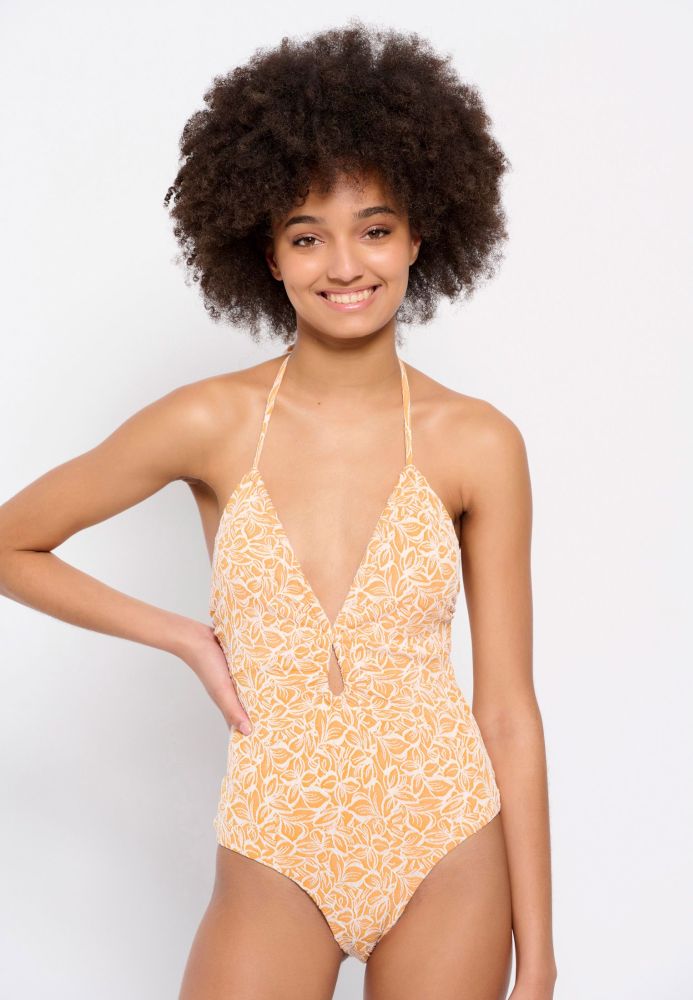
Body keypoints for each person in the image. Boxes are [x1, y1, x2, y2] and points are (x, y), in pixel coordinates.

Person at [0, 20, 557, 1000]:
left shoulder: (478, 443)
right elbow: (13, 542)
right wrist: (183, 635)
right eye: (308, 236)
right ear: (266, 253)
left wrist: (540, 955)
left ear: (420, 235)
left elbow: (507, 711)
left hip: (447, 841)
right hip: (273, 841)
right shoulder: (210, 422)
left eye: (373, 229)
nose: (344, 264)